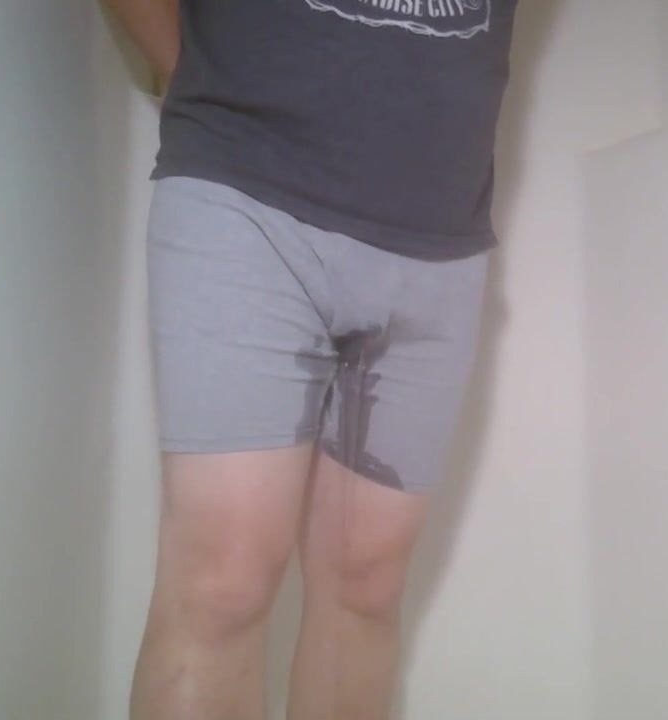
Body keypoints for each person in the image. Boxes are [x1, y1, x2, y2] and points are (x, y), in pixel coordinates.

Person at [103, 1, 519, 718]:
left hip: (440, 238)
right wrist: (203, 77)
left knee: (367, 587)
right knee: (220, 586)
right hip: (246, 190)